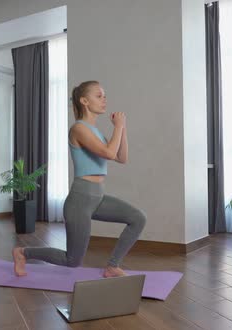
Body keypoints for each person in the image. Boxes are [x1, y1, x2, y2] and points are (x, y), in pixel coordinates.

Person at [12, 80, 146, 278]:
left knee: (137, 218)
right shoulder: (78, 129)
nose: (104, 100)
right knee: (72, 261)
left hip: (97, 197)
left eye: (104, 96)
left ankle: (112, 266)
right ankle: (23, 253)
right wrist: (118, 126)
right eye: (99, 96)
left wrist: (122, 128)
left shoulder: (96, 132)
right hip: (81, 199)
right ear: (84, 101)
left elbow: (121, 157)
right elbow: (109, 153)